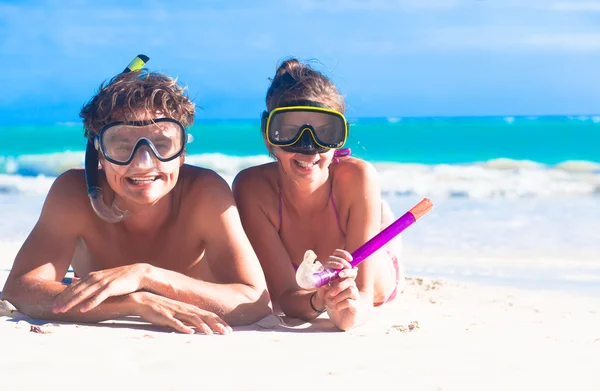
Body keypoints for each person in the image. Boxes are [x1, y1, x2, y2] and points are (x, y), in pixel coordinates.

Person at [1, 58, 271, 334]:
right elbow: (21, 290)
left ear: (182, 153)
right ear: (99, 154)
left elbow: (254, 303)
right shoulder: (74, 194)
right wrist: (134, 302)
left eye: (162, 144)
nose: (143, 163)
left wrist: (146, 276)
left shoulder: (204, 194)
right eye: (121, 145)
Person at [232, 58, 404, 331]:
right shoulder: (252, 189)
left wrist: (348, 312)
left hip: (369, 264)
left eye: (324, 133)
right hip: (306, 275)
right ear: (268, 134)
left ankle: (378, 220)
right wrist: (319, 300)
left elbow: (364, 294)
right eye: (289, 132)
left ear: (339, 136)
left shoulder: (357, 176)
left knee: (382, 285)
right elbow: (288, 299)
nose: (308, 147)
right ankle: (373, 214)